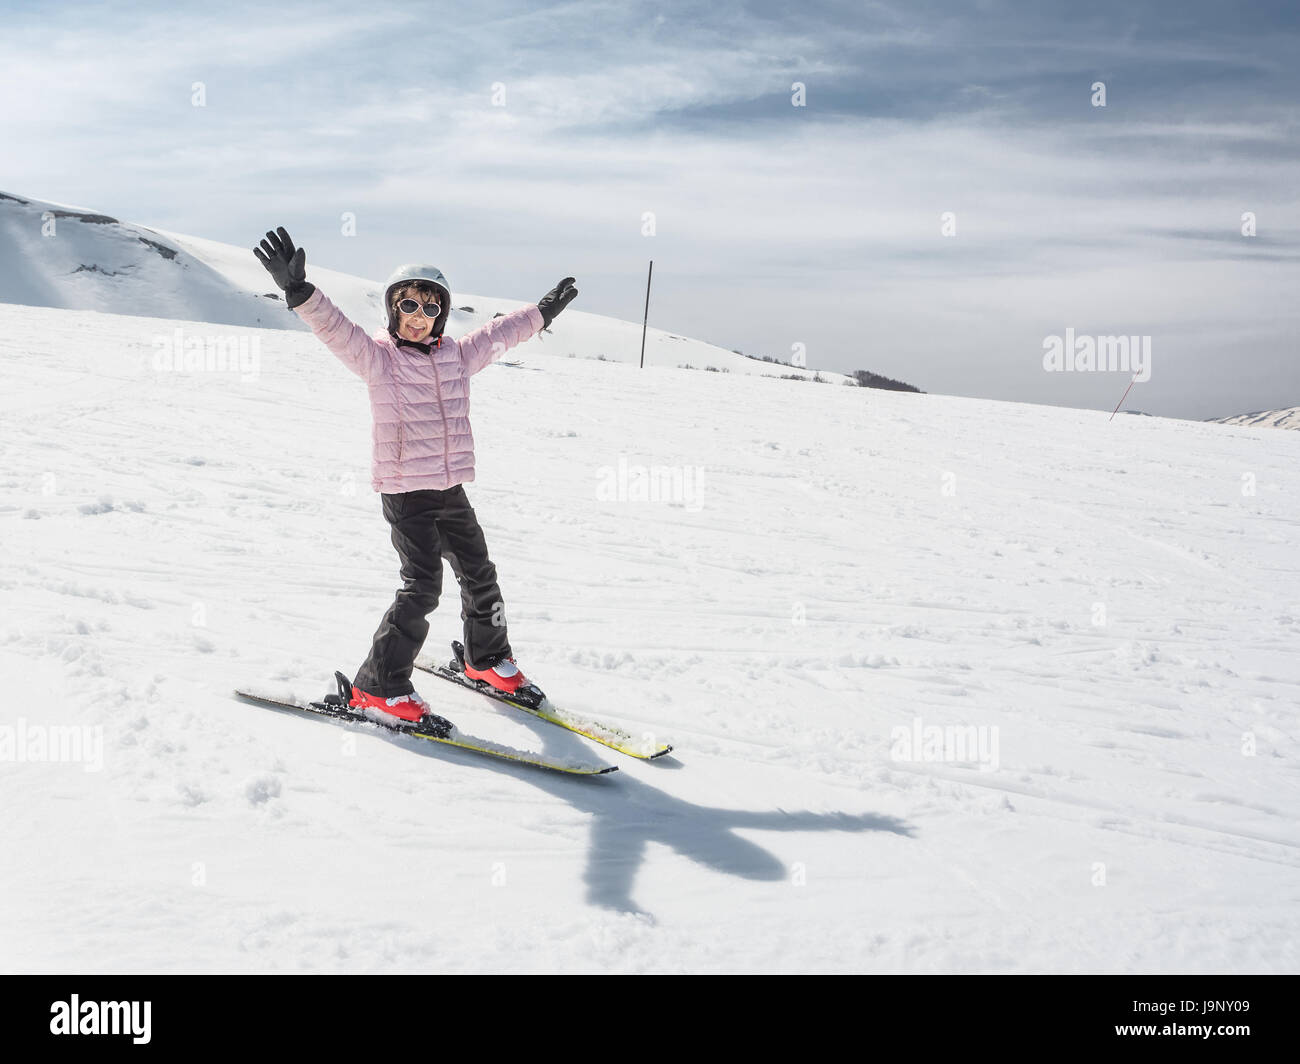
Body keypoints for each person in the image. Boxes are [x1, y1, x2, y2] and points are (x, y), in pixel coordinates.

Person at [253, 226, 577, 724]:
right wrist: (299, 291)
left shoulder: (457, 356)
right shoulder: (378, 359)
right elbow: (335, 329)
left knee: (480, 574)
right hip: (407, 494)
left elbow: (497, 334)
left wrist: (542, 313)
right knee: (422, 586)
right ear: (393, 309)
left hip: (450, 488)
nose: (419, 318)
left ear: (441, 316)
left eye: (431, 309)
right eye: (409, 306)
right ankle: (378, 687)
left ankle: (486, 660)